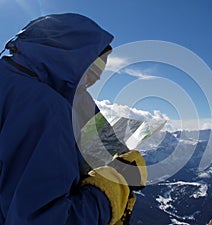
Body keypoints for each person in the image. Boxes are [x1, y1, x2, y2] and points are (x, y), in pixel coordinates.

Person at [0, 13, 147, 225]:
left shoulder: (13, 83)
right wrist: (115, 185)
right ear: (68, 56)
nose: (96, 78)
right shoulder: (46, 107)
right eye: (94, 67)